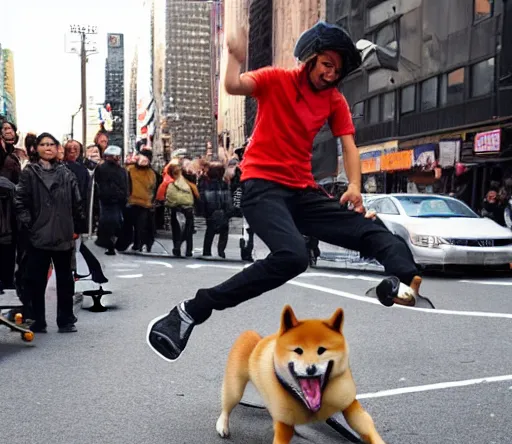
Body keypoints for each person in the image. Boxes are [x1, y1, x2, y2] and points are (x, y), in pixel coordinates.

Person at [147, 22, 425, 361]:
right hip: (261, 186)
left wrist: (355, 187)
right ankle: (192, 310)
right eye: (326, 65)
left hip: (302, 190)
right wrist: (233, 55)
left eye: (337, 71)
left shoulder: (334, 101)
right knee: (293, 256)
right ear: (311, 59)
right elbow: (234, 84)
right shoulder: (276, 79)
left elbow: (349, 145)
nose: (330, 75)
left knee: (371, 227)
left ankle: (402, 283)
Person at [15, 132, 85, 333]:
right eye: (43, 144)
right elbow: (20, 202)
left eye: (51, 144)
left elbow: (77, 202)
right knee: (36, 281)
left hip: (63, 233)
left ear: (57, 148)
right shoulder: (29, 172)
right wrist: (30, 224)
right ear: (36, 148)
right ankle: (37, 320)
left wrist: (77, 228)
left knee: (65, 280)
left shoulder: (66, 173)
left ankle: (65, 320)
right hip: (39, 235)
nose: (47, 147)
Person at [94, 146, 129, 255]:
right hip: (113, 199)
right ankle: (111, 243)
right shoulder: (119, 170)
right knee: (114, 221)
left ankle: (108, 242)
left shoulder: (102, 168)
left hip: (109, 199)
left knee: (109, 221)